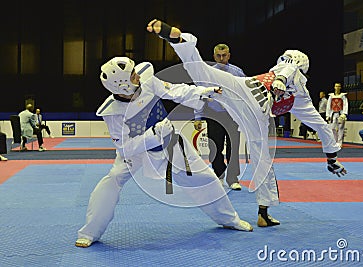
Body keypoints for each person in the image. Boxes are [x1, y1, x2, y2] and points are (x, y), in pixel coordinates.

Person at [147, 19, 347, 228]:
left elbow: (288, 71)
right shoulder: (296, 86)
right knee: (262, 157)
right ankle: (263, 212)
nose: (285, 63)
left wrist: (280, 79)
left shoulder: (293, 79)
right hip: (255, 104)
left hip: (247, 90)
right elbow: (320, 124)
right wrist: (331, 156)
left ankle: (181, 42)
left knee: (203, 74)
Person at [75, 57, 253, 248]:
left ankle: (229, 219)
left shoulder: (148, 80)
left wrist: (203, 91)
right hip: (136, 153)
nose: (137, 76)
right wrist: (153, 135)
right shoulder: (113, 112)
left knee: (205, 178)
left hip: (170, 141)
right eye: (132, 75)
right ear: (122, 85)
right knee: (112, 181)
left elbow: (175, 90)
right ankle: (90, 232)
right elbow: (126, 148)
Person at [193, 43, 245, 190]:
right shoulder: (207, 73)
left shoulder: (238, 72)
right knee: (214, 146)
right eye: (218, 56)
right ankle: (219, 174)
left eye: (224, 55)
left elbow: (245, 95)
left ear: (229, 55)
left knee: (233, 147)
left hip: (232, 114)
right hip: (213, 114)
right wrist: (198, 117)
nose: (221, 58)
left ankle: (233, 178)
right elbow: (200, 95)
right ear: (214, 56)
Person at [326, 82, 348, 147]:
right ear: (334, 87)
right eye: (336, 86)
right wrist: (328, 115)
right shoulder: (331, 96)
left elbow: (345, 105)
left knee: (341, 128)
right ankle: (335, 141)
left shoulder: (343, 96)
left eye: (338, 86)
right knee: (332, 128)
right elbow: (328, 106)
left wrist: (344, 114)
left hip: (340, 113)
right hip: (333, 113)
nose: (337, 88)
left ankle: (340, 142)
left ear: (340, 87)